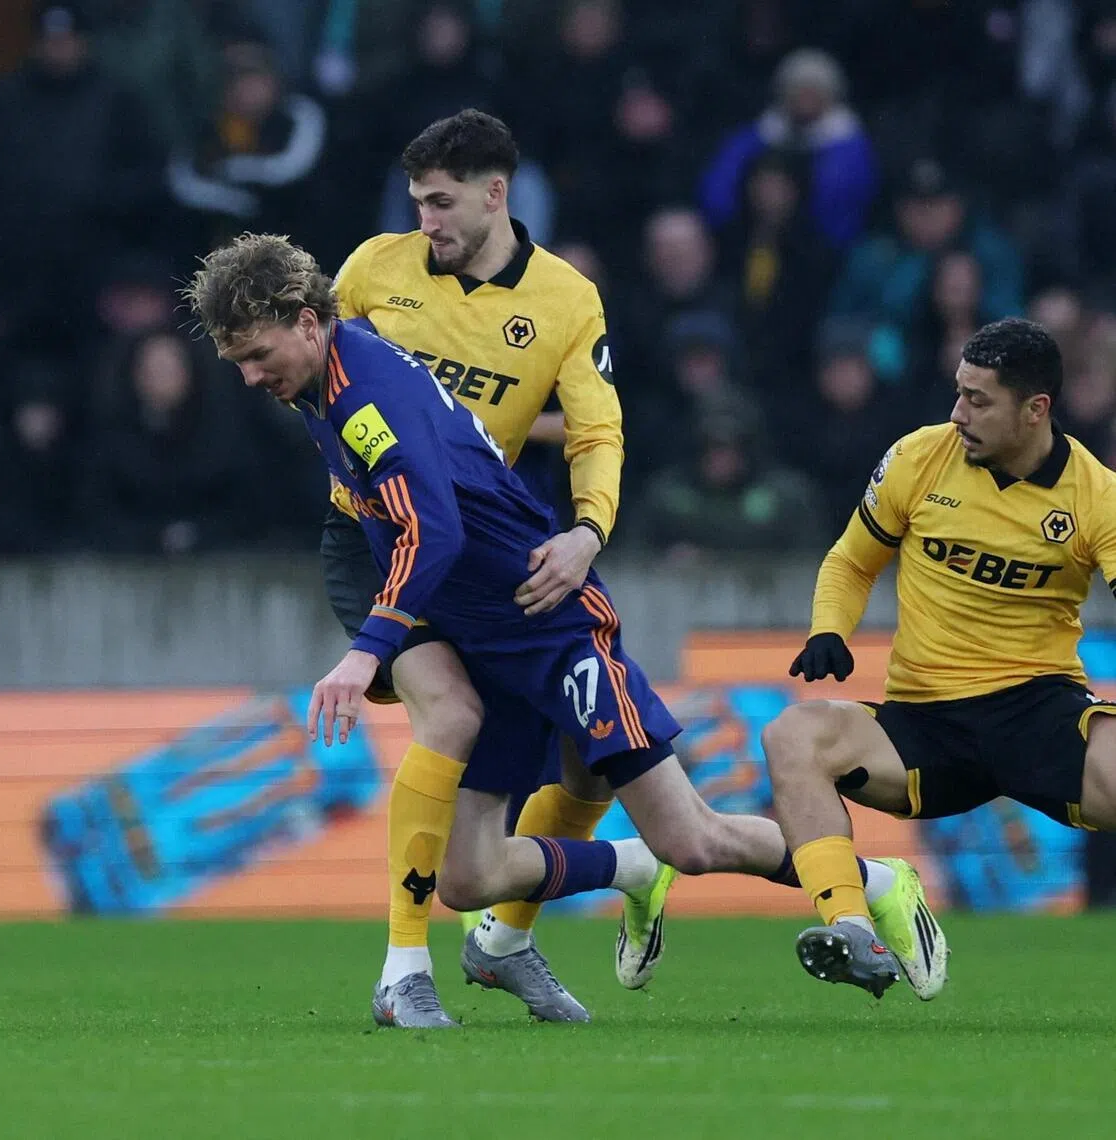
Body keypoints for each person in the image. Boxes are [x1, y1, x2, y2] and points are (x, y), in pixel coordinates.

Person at [183, 233, 935, 1024]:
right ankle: (624, 869)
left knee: (694, 840)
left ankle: (879, 883)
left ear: (308, 322)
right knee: (467, 879)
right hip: (483, 637)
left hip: (551, 628)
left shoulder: (363, 399)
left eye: (258, 355)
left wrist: (366, 651)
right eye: (237, 362)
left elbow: (433, 531)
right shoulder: (329, 375)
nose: (250, 377)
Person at [322, 109, 631, 1027]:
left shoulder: (567, 300)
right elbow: (313, 383)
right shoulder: (372, 270)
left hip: (482, 543)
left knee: (587, 763)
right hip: (374, 538)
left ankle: (507, 940)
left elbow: (597, 429)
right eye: (418, 203)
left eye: (442, 203)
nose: (426, 222)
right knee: (452, 714)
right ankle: (402, 970)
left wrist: (588, 532)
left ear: (497, 194)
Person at [762, 317, 1116, 1000]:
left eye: (979, 400)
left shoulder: (1097, 496)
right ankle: (853, 930)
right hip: (924, 724)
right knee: (792, 735)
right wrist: (829, 628)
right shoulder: (919, 457)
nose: (958, 413)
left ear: (1035, 409)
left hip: (1038, 712)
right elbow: (851, 561)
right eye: (959, 392)